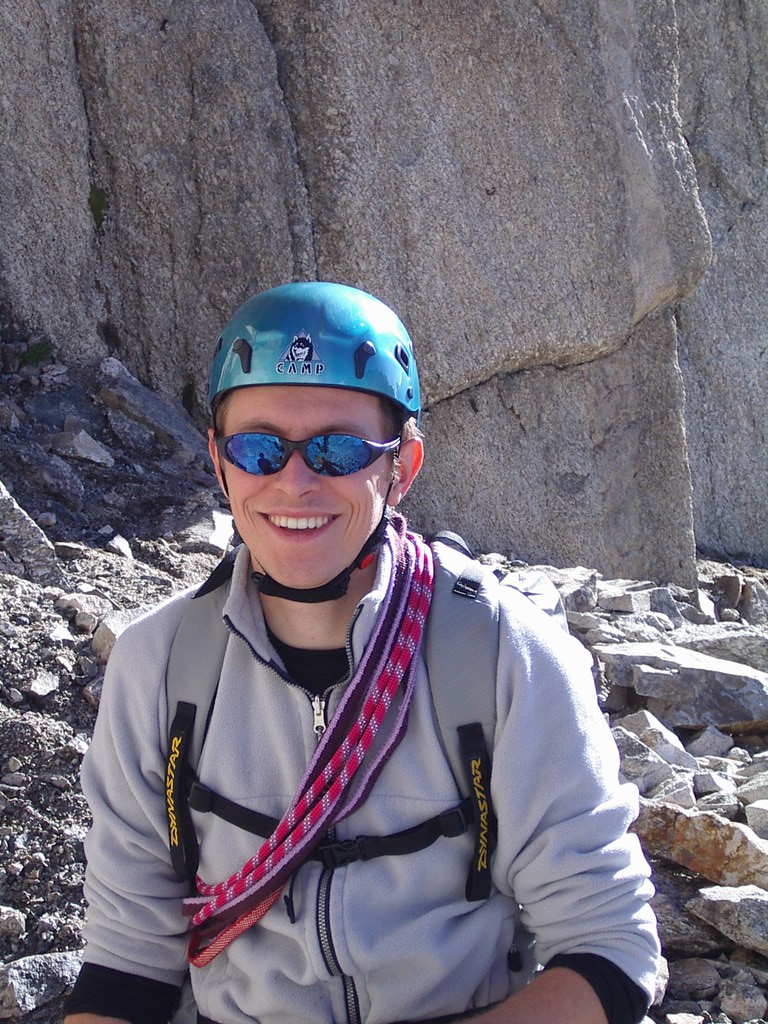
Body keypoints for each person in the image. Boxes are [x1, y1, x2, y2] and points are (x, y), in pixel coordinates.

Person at [63, 282, 660, 1024]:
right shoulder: (157, 668)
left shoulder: (504, 657)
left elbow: (609, 948)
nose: (294, 483)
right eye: (259, 449)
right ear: (219, 461)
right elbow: (125, 970)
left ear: (401, 467)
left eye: (337, 449)